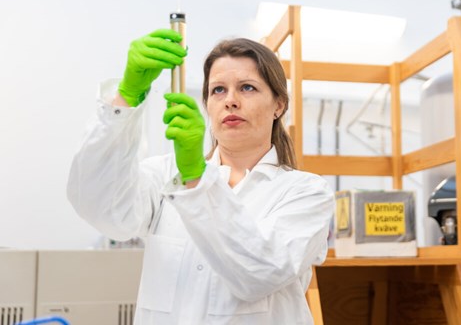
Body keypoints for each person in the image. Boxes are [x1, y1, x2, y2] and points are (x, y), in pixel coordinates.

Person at [67, 29, 335, 324]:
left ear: (279, 105)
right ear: (207, 104)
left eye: (247, 88)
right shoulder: (165, 176)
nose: (230, 101)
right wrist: (126, 97)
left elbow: (260, 273)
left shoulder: (306, 192)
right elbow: (101, 207)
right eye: (218, 90)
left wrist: (196, 175)